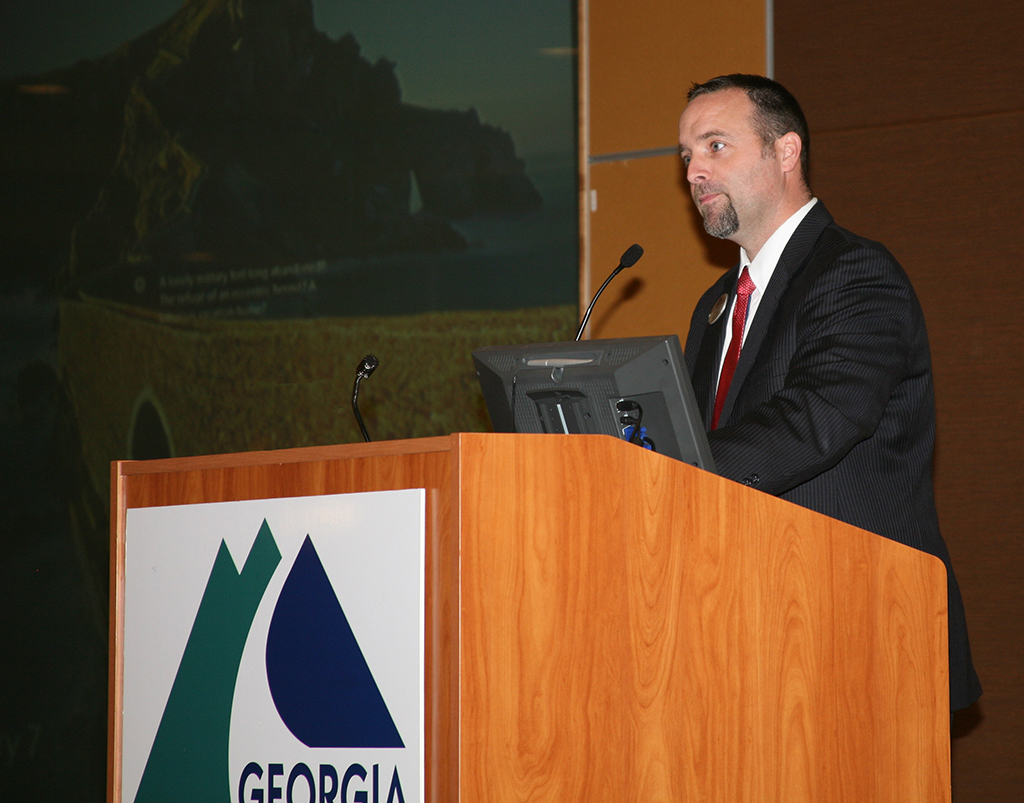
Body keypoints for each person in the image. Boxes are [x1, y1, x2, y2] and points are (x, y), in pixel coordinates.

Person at [678, 74, 981, 711]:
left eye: (715, 147)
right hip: (747, 630)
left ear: (785, 152)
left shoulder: (855, 274)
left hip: (863, 625)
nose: (695, 172)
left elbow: (821, 415)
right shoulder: (715, 307)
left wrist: (675, 465)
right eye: (686, 156)